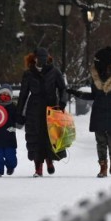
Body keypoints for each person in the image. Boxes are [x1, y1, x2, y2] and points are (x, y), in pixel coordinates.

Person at [68, 46, 111, 177]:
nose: (95, 64)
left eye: (97, 62)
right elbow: (94, 96)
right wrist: (77, 93)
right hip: (99, 111)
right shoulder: (95, 75)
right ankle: (103, 167)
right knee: (100, 141)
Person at [16, 47, 68, 177]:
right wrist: (19, 113)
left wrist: (62, 103)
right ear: (35, 58)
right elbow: (23, 94)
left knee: (51, 136)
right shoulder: (28, 74)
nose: (42, 60)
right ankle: (38, 168)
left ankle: (49, 161)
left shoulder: (54, 72)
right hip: (34, 109)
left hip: (51, 108)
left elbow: (63, 88)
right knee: (35, 138)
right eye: (40, 58)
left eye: (45, 58)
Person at [0, 84, 18, 177]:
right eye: (3, 93)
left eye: (7, 94)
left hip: (9, 137)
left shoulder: (13, 108)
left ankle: (10, 166)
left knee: (11, 158)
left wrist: (21, 117)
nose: (4, 95)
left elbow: (18, 120)